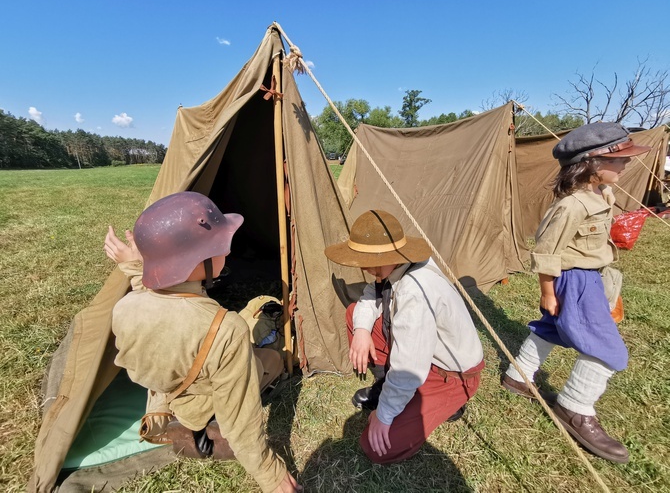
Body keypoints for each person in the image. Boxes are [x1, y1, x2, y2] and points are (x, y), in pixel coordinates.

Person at [105, 191, 301, 493]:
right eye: (219, 247)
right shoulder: (225, 329)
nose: (226, 250)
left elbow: (157, 307)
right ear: (199, 261)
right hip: (209, 397)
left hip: (170, 390)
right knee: (272, 360)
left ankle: (191, 419)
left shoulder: (124, 308)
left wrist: (134, 267)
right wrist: (271, 477)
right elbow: (241, 418)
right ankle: (210, 423)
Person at [502, 122, 651, 464]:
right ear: (593, 163)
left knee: (553, 327)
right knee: (606, 348)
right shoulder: (571, 206)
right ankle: (575, 407)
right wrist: (547, 291)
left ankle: (518, 377)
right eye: (619, 160)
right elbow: (546, 250)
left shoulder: (604, 194)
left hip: (589, 274)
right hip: (575, 280)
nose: (626, 165)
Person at [324, 209, 485, 464]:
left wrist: (384, 415)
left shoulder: (415, 292)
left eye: (371, 259)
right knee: (355, 313)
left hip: (448, 374)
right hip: (422, 355)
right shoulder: (393, 268)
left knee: (377, 448)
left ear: (393, 255)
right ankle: (384, 387)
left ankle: (447, 403)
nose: (366, 267)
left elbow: (410, 365)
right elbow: (370, 295)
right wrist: (363, 330)